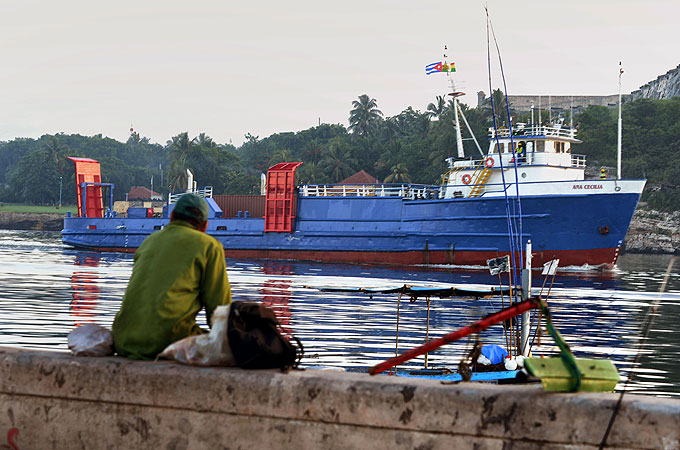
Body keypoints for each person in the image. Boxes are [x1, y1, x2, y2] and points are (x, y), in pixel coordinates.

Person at [113, 193, 232, 360]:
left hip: (123, 341)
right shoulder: (209, 246)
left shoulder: (149, 242)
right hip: (168, 341)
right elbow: (219, 310)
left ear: (172, 216)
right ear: (205, 225)